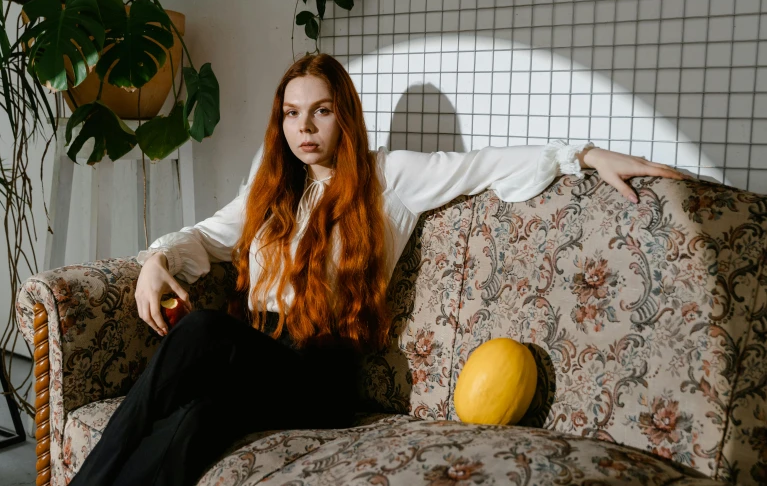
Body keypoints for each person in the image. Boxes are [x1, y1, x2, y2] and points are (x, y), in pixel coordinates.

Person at [67, 53, 690, 486]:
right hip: (261, 356)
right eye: (291, 113)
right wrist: (157, 258)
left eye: (321, 111)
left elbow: (487, 163)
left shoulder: (389, 177)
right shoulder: (271, 188)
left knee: (199, 332)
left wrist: (580, 153)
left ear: (346, 114)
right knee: (195, 420)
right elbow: (208, 234)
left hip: (320, 374)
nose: (303, 128)